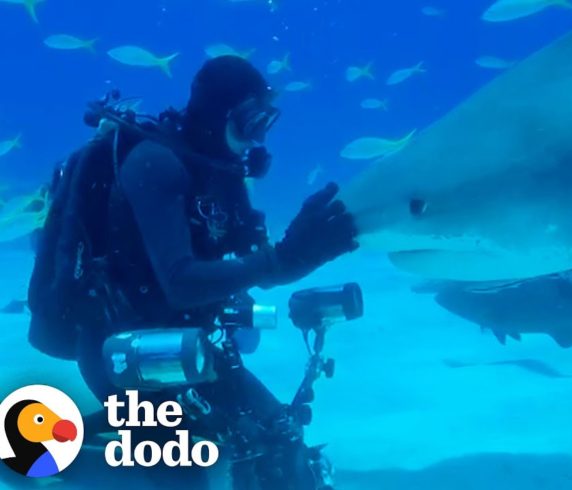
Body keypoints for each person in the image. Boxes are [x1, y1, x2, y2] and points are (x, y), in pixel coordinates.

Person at [29, 56, 358, 488]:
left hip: (196, 350)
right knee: (188, 475)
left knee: (281, 442)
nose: (255, 139)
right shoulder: (155, 164)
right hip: (126, 356)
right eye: (249, 123)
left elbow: (262, 271)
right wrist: (278, 259)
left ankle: (88, 440)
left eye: (264, 124)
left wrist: (305, 252)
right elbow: (181, 283)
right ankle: (61, 450)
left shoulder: (222, 173)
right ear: (218, 115)